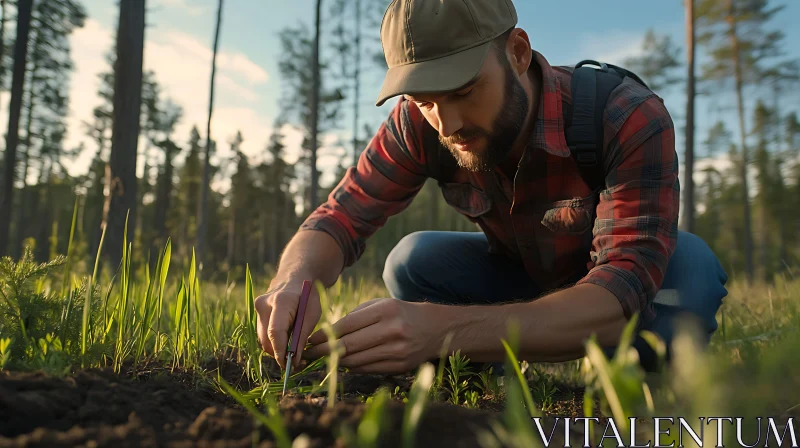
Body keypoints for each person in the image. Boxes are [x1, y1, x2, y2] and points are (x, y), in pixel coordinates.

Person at [254, 0, 729, 375]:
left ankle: (626, 369)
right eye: (424, 101)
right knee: (412, 261)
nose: (447, 123)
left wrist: (443, 331)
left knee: (692, 276)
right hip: (518, 278)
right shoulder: (421, 124)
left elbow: (621, 290)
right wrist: (294, 279)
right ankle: (490, 364)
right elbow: (340, 217)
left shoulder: (623, 116)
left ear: (517, 53)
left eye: (463, 91)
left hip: (610, 287)